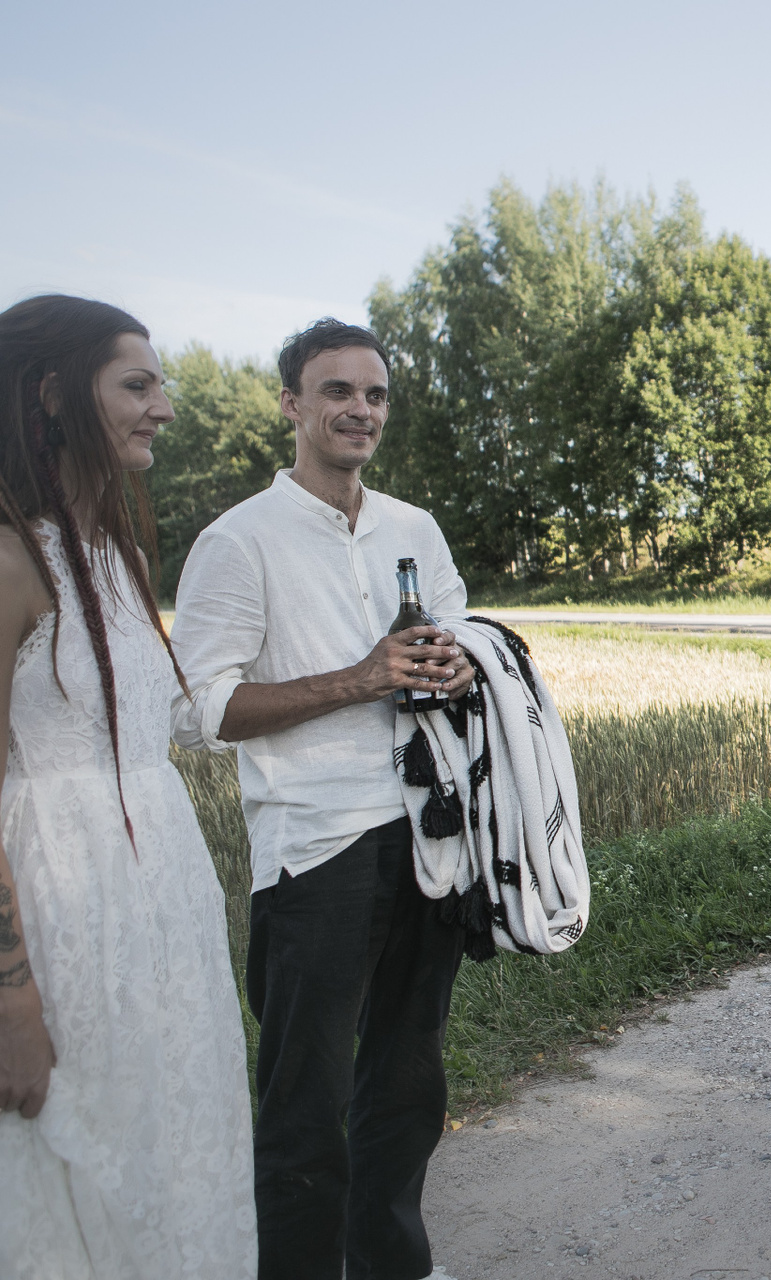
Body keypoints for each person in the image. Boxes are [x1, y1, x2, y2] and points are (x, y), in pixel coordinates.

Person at [169, 318, 476, 1280]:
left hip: (427, 836)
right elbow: (197, 710)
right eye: (337, 391)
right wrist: (360, 678)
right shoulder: (238, 541)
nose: (360, 410)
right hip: (315, 850)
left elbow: (461, 635)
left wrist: (461, 665)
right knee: (306, 1108)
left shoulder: (414, 529)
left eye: (375, 394)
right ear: (292, 404)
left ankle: (392, 1266)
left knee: (408, 1088)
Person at [0, 295, 256, 1275]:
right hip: (62, 918)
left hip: (163, 911)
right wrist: (12, 1001)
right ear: (53, 394)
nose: (166, 407)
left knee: (175, 1152)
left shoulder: (122, 555)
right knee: (75, 1181)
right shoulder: (9, 563)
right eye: (137, 384)